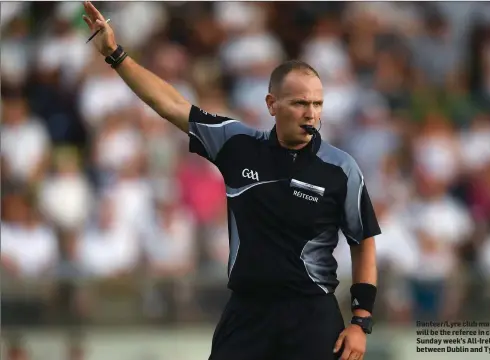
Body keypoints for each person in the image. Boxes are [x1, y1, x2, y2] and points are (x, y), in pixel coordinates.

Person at [82, 2, 380, 360]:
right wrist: (115, 54)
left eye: (317, 103)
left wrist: (360, 322)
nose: (311, 113)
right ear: (272, 104)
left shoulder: (341, 167)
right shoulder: (237, 144)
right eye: (300, 103)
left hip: (312, 313)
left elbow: (362, 242)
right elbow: (171, 105)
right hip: (247, 313)